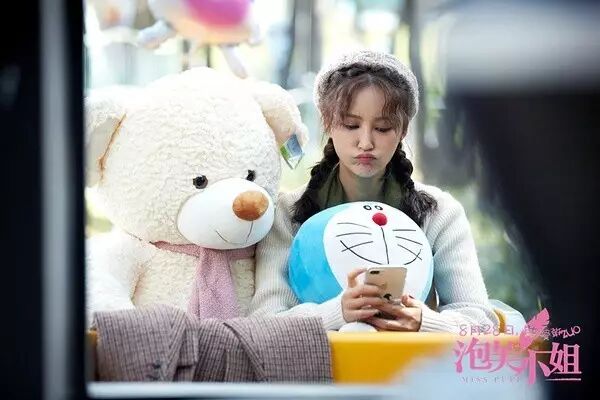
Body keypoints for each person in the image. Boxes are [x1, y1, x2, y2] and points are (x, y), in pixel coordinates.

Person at [248, 49, 498, 332]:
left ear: (403, 130)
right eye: (351, 125)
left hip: (413, 361)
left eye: (383, 127)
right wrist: (337, 312)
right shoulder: (287, 212)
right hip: (321, 362)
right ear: (327, 123)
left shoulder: (439, 213)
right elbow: (263, 323)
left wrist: (424, 321)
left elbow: (481, 322)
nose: (365, 142)